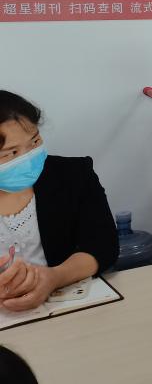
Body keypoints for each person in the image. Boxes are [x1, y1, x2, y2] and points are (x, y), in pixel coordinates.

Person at [0, 91, 118, 312]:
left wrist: (54, 277)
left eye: (34, 141)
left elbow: (103, 245)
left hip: (66, 310)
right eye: (11, 153)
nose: (28, 158)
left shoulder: (73, 175)